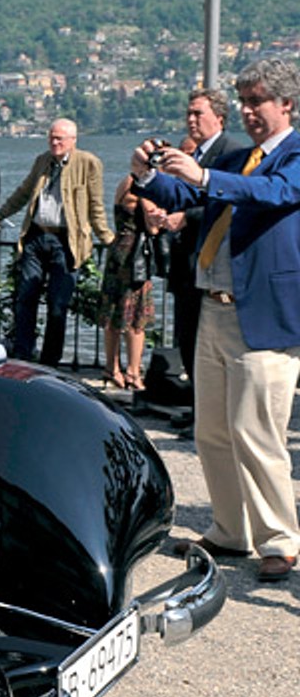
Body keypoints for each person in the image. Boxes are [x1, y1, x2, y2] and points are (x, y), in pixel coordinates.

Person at [135, 57, 300, 582]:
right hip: (214, 306)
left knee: (257, 433)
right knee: (211, 431)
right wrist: (148, 175)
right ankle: (231, 529)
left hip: (263, 318)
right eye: (245, 101)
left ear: (286, 105)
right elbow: (188, 195)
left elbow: (275, 194)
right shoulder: (247, 158)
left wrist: (206, 175)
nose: (248, 111)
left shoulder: (292, 155)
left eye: (257, 102)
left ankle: (281, 538)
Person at [0, 119, 112, 365]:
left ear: (73, 140)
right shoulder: (42, 161)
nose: (55, 142)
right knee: (26, 297)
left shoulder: (88, 163)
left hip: (66, 241)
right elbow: (23, 192)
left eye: (60, 138)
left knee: (58, 305)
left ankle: (50, 361)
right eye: (51, 137)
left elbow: (95, 205)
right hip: (36, 237)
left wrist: (107, 238)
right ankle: (23, 354)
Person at [162, 89, 242, 429]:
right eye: (189, 113)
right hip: (186, 265)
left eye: (198, 113)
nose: (191, 120)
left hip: (212, 266)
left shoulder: (233, 154)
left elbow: (228, 204)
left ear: (219, 118)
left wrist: (187, 217)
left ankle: (214, 417)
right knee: (188, 339)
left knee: (209, 344)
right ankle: (200, 411)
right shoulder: (192, 156)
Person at [101, 179, 160, 390]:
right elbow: (153, 228)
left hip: (118, 250)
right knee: (136, 319)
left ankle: (111, 368)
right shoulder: (143, 191)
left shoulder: (124, 183)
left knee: (113, 313)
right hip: (135, 256)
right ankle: (133, 372)